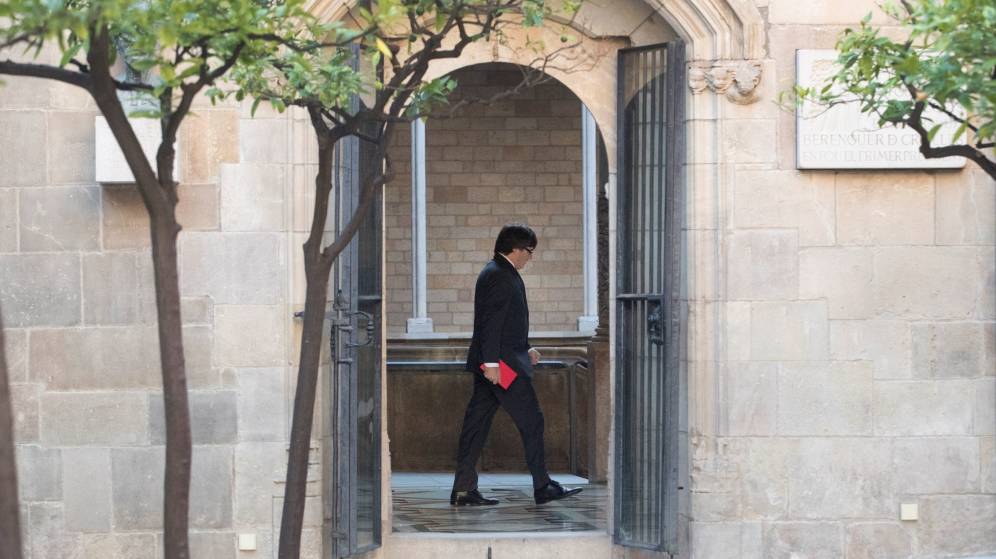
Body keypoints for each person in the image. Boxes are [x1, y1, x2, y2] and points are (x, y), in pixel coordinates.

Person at [450, 223, 583, 506]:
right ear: (516, 249)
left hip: (495, 364)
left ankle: (463, 489)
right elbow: (492, 323)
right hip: (502, 368)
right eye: (529, 251)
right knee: (532, 420)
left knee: (476, 426)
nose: (530, 257)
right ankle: (543, 485)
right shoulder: (500, 275)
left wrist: (525, 348)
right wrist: (492, 364)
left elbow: (505, 324)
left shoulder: (497, 271)